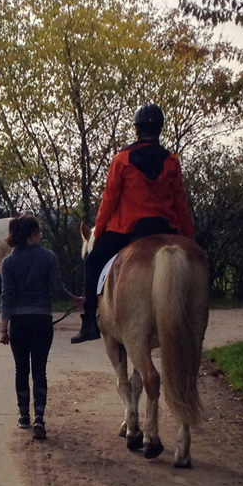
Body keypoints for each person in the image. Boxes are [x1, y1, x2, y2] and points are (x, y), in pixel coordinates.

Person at [71, 103, 195, 344]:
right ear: (160, 129)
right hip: (164, 228)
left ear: (136, 130)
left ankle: (88, 323)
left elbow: (109, 200)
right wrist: (190, 239)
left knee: (93, 261)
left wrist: (100, 230)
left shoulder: (122, 160)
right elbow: (181, 203)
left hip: (127, 230)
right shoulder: (171, 161)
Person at [0, 216, 82, 439]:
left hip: (18, 322)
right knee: (39, 369)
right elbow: (56, 288)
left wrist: (4, 328)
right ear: (33, 233)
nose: (42, 235)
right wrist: (74, 299)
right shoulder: (49, 257)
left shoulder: (7, 263)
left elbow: (7, 297)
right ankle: (39, 417)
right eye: (40, 231)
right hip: (42, 321)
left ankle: (24, 416)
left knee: (21, 369)